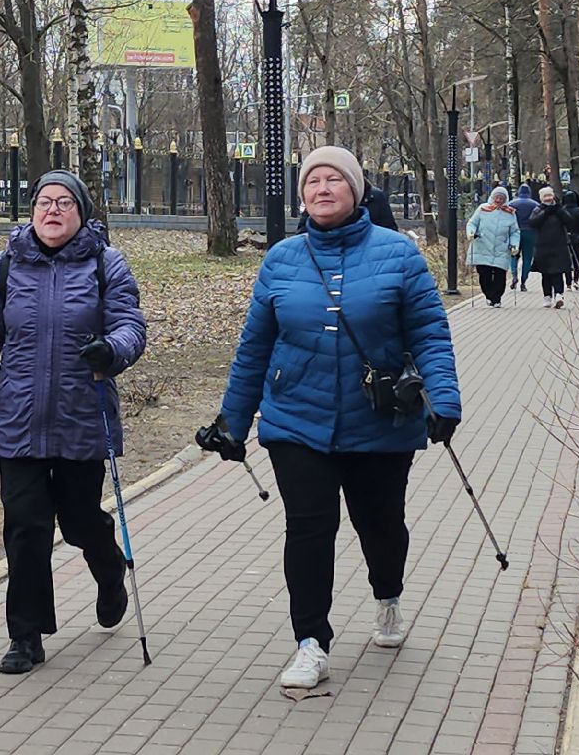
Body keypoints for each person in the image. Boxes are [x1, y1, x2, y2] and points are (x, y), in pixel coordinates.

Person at [209, 146, 460, 690]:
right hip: (296, 419)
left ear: (356, 190)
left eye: (333, 180)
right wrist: (233, 419)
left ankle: (387, 595)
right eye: (312, 182)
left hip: (381, 422)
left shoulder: (399, 255)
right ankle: (310, 642)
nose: (321, 189)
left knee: (380, 525)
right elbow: (254, 346)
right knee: (308, 529)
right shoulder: (281, 259)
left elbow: (430, 336)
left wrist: (444, 400)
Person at [0, 170, 148, 675]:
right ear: (31, 210)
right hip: (18, 419)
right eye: (43, 202)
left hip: (81, 416)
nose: (52, 211)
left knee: (81, 521)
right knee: (26, 529)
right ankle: (26, 635)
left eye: (63, 203)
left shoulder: (106, 264)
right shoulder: (6, 265)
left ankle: (108, 571)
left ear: (81, 213)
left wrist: (113, 349)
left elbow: (130, 326)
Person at [466, 187, 520, 307]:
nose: (499, 200)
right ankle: (489, 295)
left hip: (501, 248)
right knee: (484, 274)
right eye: (497, 197)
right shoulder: (483, 209)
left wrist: (515, 244)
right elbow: (472, 223)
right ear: (492, 197)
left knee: (500, 275)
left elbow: (515, 232)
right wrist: (471, 232)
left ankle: (497, 298)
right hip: (482, 246)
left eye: (502, 198)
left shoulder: (510, 213)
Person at [528, 186, 574, 308]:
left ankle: (559, 295)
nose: (548, 198)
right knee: (546, 273)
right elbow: (532, 222)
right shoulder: (538, 209)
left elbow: (570, 221)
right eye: (545, 196)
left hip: (559, 246)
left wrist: (559, 211)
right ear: (542, 198)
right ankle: (547, 296)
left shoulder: (559, 209)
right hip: (543, 246)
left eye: (550, 195)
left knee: (558, 272)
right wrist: (545, 213)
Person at [507, 184, 540, 291]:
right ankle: (523, 282)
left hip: (515, 232)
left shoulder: (512, 204)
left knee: (513, 255)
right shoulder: (535, 204)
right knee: (528, 258)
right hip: (530, 232)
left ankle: (514, 275)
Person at [559, 190, 579, 290]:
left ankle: (568, 282)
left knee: (566, 259)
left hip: (564, 238)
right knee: (577, 258)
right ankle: (575, 280)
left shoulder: (561, 210)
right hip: (577, 238)